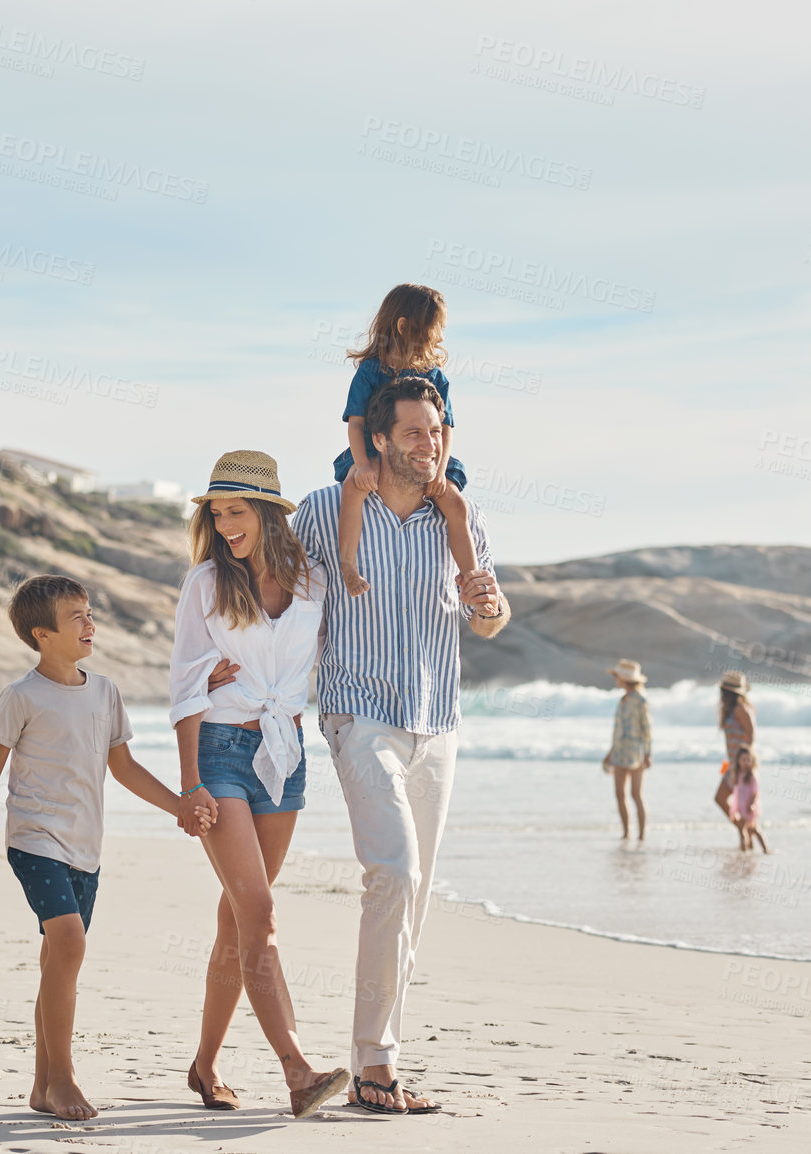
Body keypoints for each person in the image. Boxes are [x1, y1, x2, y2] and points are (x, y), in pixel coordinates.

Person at [291, 374, 510, 1115]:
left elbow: (487, 615)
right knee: (394, 869)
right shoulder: (325, 511)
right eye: (415, 432)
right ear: (378, 438)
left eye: (439, 430)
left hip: (437, 723)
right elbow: (273, 595)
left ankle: (376, 1053)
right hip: (360, 716)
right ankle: (375, 1066)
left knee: (413, 893)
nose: (432, 443)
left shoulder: (460, 516)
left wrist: (491, 606)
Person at [0, 574, 214, 1122]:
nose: (90, 623)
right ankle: (65, 1077)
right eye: (77, 617)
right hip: (33, 840)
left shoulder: (104, 692)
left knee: (57, 958)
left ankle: (43, 1084)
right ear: (42, 634)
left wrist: (181, 806)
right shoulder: (20, 697)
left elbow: (123, 768)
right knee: (69, 943)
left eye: (90, 613)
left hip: (85, 848)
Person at [168, 450, 350, 1119]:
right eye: (217, 512)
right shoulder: (207, 583)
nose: (224, 523)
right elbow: (186, 685)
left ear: (268, 513)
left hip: (285, 751)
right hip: (219, 750)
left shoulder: (312, 581)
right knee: (262, 914)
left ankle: (205, 1065)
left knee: (238, 920)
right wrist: (189, 784)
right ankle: (298, 1070)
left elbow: (334, 652)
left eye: (236, 510)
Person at [333, 283, 476, 597]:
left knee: (455, 502)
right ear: (403, 327)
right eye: (434, 329)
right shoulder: (370, 372)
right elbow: (356, 425)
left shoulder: (435, 377)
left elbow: (446, 429)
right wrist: (362, 465)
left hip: (425, 459)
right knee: (352, 489)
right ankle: (348, 564)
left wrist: (439, 473)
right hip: (372, 451)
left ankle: (472, 577)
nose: (439, 337)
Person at [602, 659, 653, 840]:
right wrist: (610, 753)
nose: (615, 679)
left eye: (617, 676)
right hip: (619, 752)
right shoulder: (622, 700)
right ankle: (626, 832)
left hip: (636, 753)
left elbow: (647, 728)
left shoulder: (641, 700)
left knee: (636, 794)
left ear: (624, 678)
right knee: (619, 794)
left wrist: (647, 754)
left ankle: (642, 835)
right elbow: (618, 731)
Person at [713, 671, 755, 824]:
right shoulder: (731, 709)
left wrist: (743, 764)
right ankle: (744, 835)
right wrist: (726, 766)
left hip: (741, 765)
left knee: (727, 800)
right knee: (726, 800)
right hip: (732, 764)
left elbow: (750, 737)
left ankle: (744, 832)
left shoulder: (740, 709)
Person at [726, 745, 768, 853]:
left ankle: (761, 849)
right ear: (738, 761)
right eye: (743, 760)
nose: (746, 762)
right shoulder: (739, 774)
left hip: (749, 807)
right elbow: (737, 792)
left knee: (748, 829)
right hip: (741, 807)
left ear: (752, 761)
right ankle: (749, 848)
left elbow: (755, 792)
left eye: (748, 760)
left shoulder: (752, 776)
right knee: (749, 830)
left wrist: (751, 804)